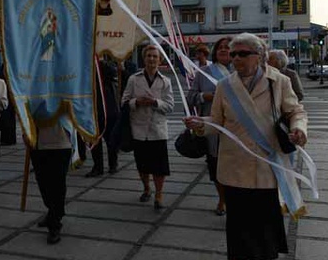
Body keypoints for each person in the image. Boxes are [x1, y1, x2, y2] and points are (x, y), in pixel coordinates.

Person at [183, 33, 307, 260]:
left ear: (259, 56)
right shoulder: (225, 86)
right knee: (237, 224)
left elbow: (296, 112)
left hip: (266, 166)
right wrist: (199, 125)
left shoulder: (279, 82)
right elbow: (216, 121)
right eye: (233, 53)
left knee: (262, 222)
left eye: (242, 53)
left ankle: (259, 258)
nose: (235, 58)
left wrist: (298, 130)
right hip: (234, 167)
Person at [121, 44, 174, 209]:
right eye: (148, 56)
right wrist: (136, 102)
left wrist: (155, 102)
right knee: (142, 165)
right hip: (139, 130)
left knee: (159, 167)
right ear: (143, 59)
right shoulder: (133, 79)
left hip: (158, 131)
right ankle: (146, 188)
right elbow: (124, 102)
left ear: (160, 60)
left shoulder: (165, 81)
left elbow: (170, 106)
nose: (151, 59)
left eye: (155, 56)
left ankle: (158, 194)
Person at [187, 37, 233, 215]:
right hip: (213, 129)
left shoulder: (240, 71)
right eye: (220, 47)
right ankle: (222, 199)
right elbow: (191, 96)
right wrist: (204, 97)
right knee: (215, 166)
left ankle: (234, 199)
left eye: (227, 48)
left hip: (236, 129)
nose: (223, 50)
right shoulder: (204, 72)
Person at [30, 122, 72, 244]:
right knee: (42, 181)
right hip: (37, 141)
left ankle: (54, 224)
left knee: (57, 183)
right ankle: (53, 211)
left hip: (60, 140)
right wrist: (26, 131)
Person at [85, 58, 120, 177]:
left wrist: (100, 60)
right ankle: (98, 167)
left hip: (108, 107)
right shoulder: (84, 64)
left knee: (111, 139)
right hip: (92, 108)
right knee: (94, 139)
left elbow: (113, 72)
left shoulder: (106, 64)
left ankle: (113, 164)